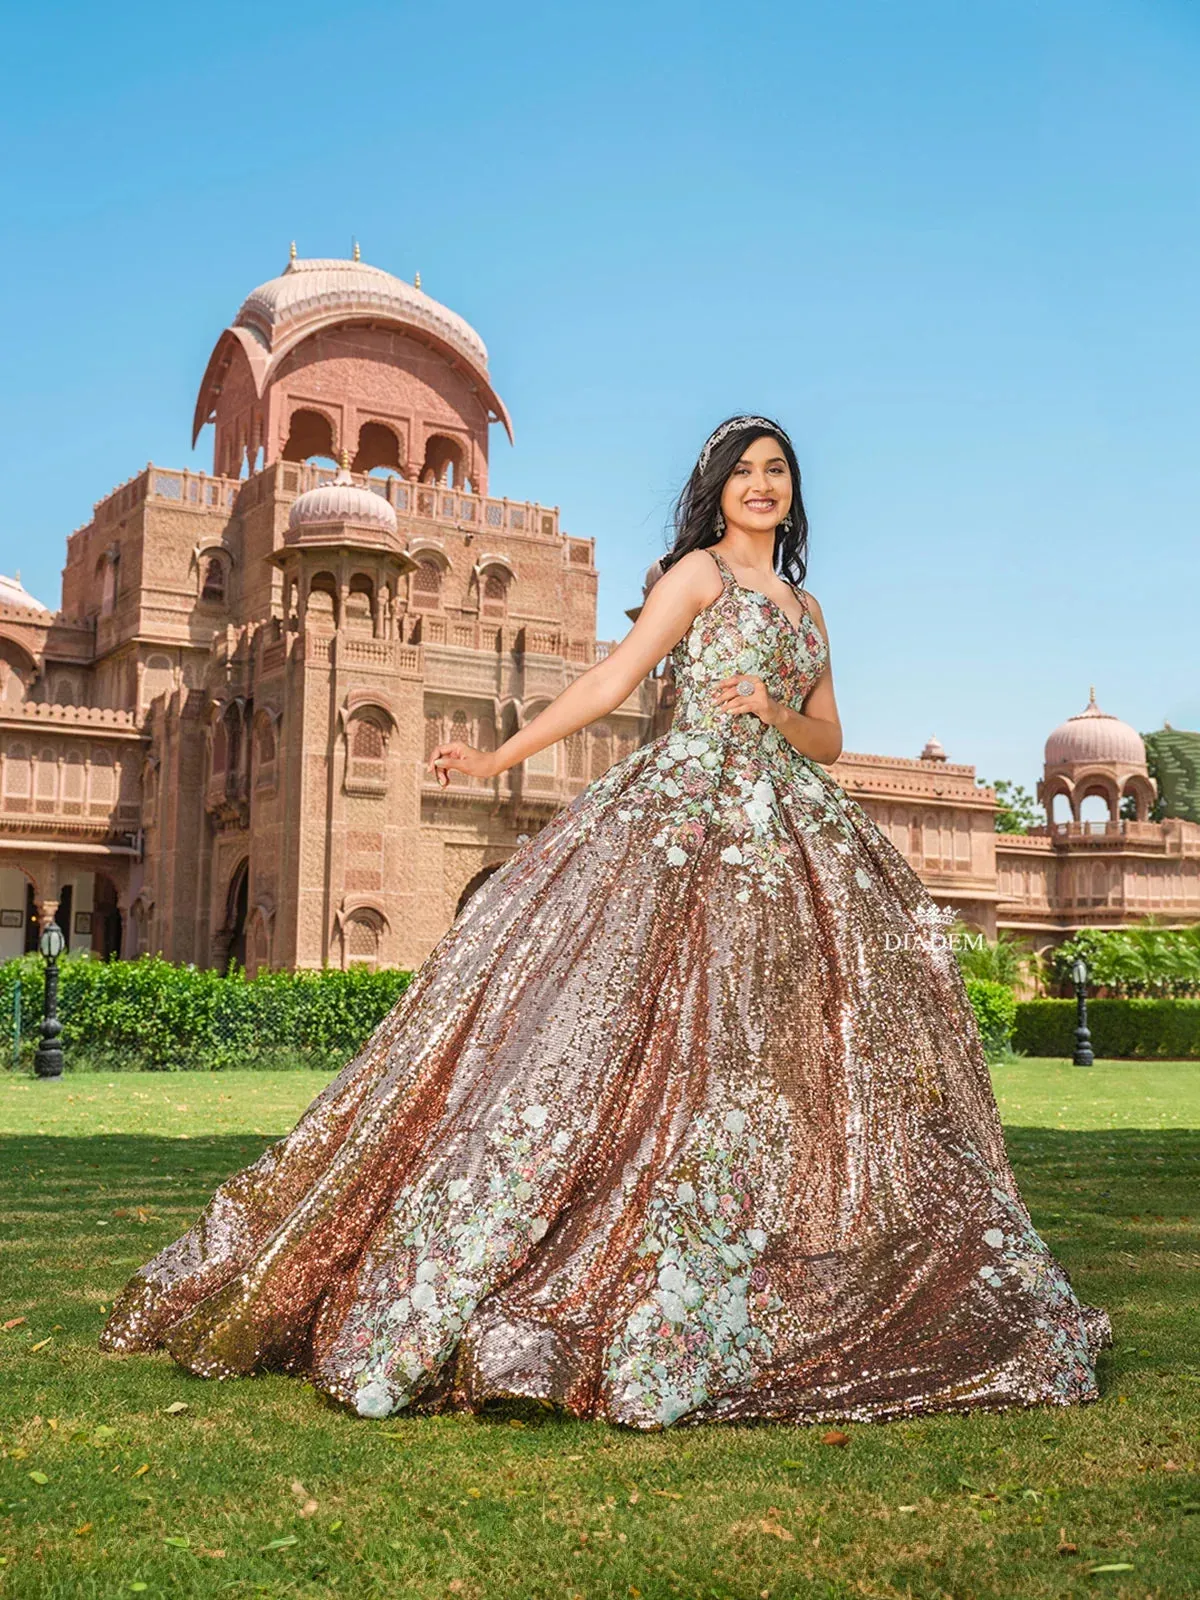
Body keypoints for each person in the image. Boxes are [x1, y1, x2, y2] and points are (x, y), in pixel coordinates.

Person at [100, 415, 1110, 1428]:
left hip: (784, 831)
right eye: (743, 472)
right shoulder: (697, 579)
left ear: (795, 492)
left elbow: (832, 738)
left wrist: (772, 706)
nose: (761, 486)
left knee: (778, 1049)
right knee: (624, 1026)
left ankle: (767, 1243)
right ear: (716, 489)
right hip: (682, 819)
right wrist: (495, 760)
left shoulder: (808, 609)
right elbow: (610, 680)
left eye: (777, 472)